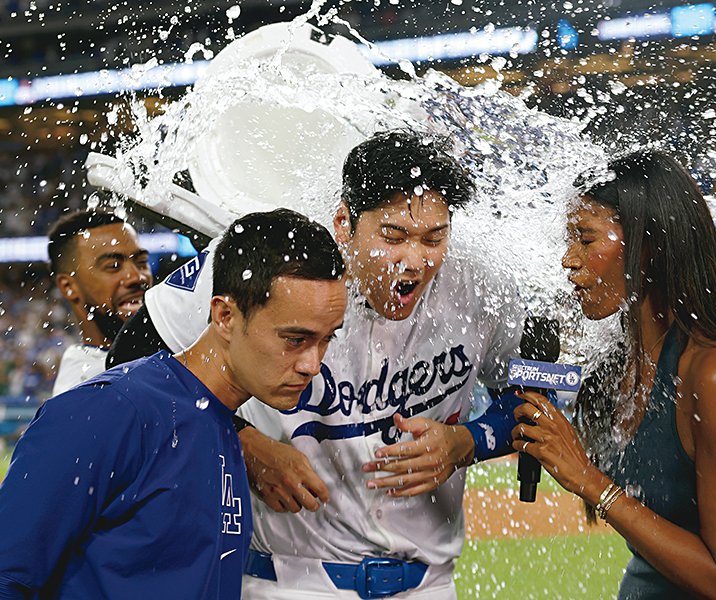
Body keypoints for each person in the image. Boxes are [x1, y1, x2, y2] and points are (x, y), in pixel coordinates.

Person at [107, 130, 525, 598]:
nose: (415, 260)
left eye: (434, 238)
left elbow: (532, 390)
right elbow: (129, 362)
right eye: (393, 235)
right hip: (286, 581)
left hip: (432, 584)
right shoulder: (278, 259)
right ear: (344, 223)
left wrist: (470, 440)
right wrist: (238, 441)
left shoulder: (479, 285)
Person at [0, 209, 347, 599]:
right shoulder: (109, 409)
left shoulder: (224, 427)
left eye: (326, 339)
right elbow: (7, 573)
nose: (312, 364)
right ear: (225, 316)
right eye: (295, 339)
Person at [511, 151, 716, 599]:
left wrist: (590, 481)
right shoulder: (622, 363)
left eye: (585, 239)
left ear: (648, 245)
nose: (568, 260)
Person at [46, 210, 152, 395]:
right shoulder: (84, 394)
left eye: (141, 262)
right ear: (69, 286)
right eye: (113, 266)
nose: (137, 277)